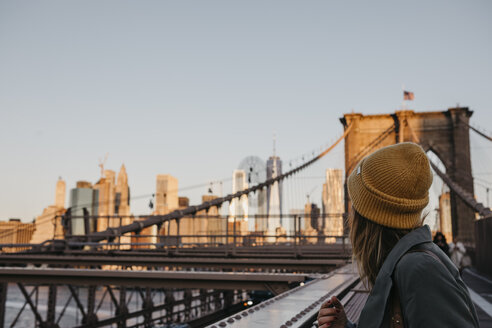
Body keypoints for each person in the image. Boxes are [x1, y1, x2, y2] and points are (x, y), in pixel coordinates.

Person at [317, 142, 479, 328]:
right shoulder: (402, 264)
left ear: (369, 217)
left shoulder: (420, 270)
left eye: (356, 205)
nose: (350, 215)